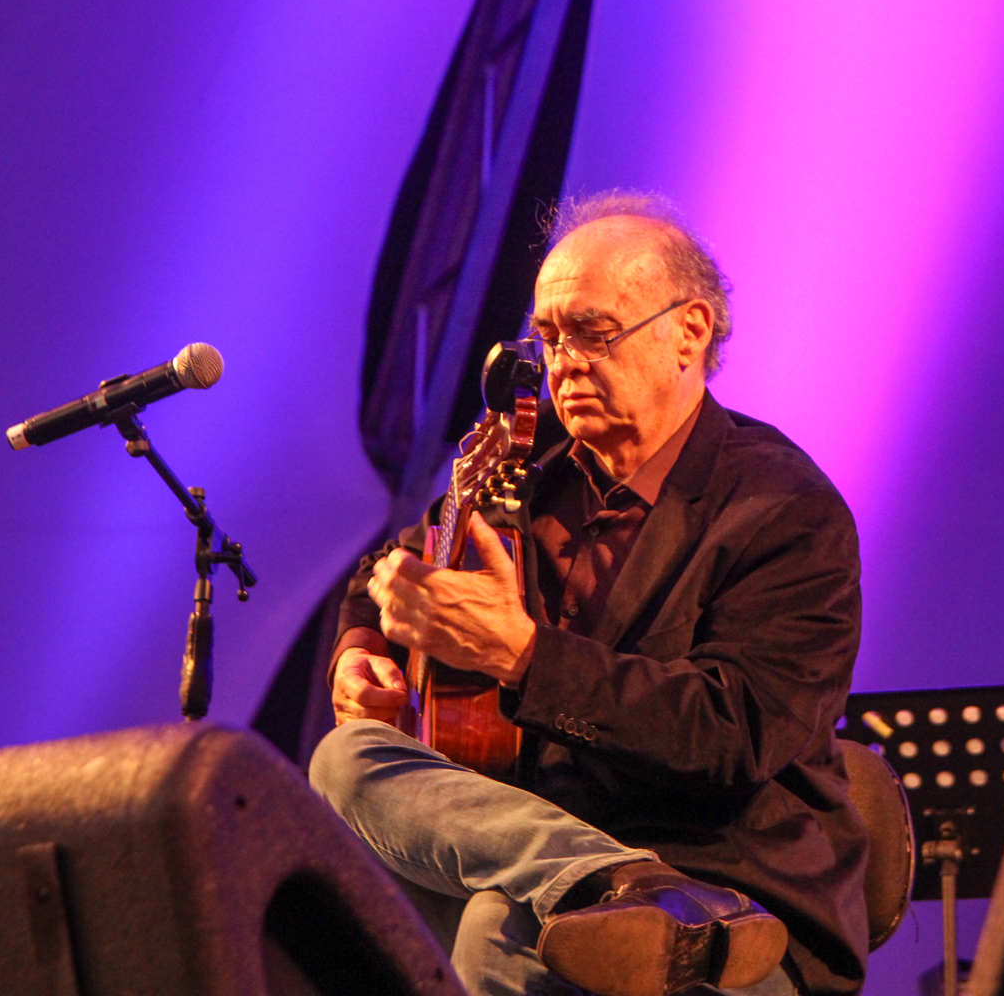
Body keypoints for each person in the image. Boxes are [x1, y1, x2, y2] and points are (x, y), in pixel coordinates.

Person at [311, 193, 866, 996]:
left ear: (689, 331)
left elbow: (734, 736)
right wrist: (360, 649)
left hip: (734, 901)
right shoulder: (526, 472)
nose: (562, 361)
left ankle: (644, 898)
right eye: (548, 337)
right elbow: (390, 567)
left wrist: (525, 657)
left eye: (592, 333)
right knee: (344, 760)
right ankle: (607, 883)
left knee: (500, 928)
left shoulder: (783, 508)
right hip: (542, 866)